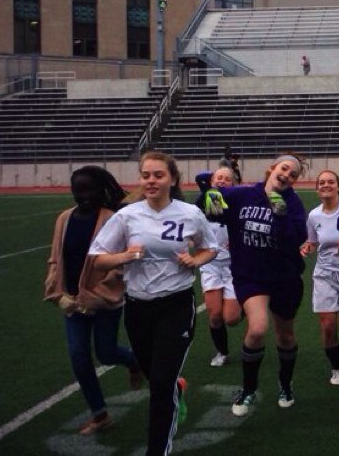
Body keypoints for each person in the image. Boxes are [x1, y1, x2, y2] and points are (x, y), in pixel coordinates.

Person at [89, 151, 214, 456]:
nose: (151, 181)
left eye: (158, 175)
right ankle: (176, 387)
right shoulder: (127, 215)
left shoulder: (190, 213)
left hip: (176, 305)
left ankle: (157, 450)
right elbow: (97, 260)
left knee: (160, 384)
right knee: (153, 373)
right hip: (137, 308)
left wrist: (195, 260)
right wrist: (125, 256)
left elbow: (210, 248)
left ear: (173, 179)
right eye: (146, 175)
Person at [202, 154, 308, 416]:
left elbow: (295, 240)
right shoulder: (243, 194)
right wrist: (209, 192)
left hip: (285, 278)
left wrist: (280, 215)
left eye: (293, 174)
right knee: (257, 328)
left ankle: (285, 385)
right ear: (272, 168)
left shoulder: (293, 203)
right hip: (251, 275)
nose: (287, 175)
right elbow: (213, 213)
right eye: (284, 168)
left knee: (285, 336)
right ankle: (248, 389)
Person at [44, 166, 143, 436]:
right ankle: (100, 415)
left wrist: (95, 296)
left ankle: (134, 361)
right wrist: (57, 292)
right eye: (78, 190)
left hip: (105, 301)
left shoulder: (114, 219)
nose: (84, 196)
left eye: (90, 190)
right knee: (78, 356)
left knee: (106, 353)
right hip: (73, 302)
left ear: (102, 190)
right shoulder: (64, 219)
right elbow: (55, 259)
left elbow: (120, 265)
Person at [300, 169, 339, 386]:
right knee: (327, 326)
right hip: (324, 274)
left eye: (330, 182)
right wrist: (307, 247)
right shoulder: (314, 216)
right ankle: (337, 367)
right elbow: (313, 241)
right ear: (317, 189)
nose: (326, 185)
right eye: (321, 182)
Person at [193, 167, 242, 368]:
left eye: (227, 179)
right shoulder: (207, 200)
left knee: (231, 319)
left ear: (234, 184)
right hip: (210, 264)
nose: (222, 181)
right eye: (218, 178)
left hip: (233, 265)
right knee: (214, 315)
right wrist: (211, 186)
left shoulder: (238, 201)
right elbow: (200, 177)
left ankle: (243, 306)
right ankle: (222, 352)